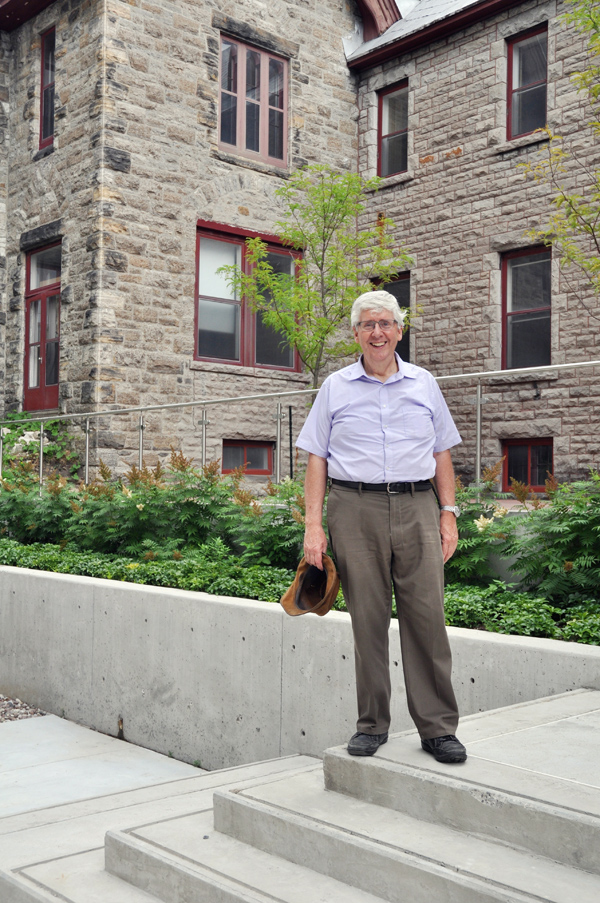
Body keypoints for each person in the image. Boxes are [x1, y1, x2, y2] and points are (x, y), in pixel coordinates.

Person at [296, 290, 466, 763]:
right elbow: (316, 457)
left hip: (417, 507)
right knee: (367, 621)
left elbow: (442, 454)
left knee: (427, 620)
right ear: (356, 333)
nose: (377, 332)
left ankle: (437, 728)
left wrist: (448, 513)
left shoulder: (425, 383)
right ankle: (371, 725)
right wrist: (314, 525)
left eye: (386, 323)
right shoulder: (335, 387)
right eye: (368, 324)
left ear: (399, 330)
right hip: (354, 508)